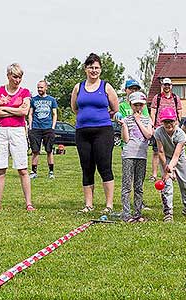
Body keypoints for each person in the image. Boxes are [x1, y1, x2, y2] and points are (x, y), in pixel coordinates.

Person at [70, 53, 119, 214]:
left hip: (103, 131)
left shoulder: (106, 86)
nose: (94, 70)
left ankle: (109, 205)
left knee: (104, 166)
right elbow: (74, 108)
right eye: (91, 67)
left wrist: (101, 117)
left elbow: (115, 108)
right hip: (82, 132)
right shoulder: (79, 87)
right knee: (87, 167)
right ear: (85, 69)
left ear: (100, 69)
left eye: (96, 67)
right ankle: (88, 204)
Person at [0, 63, 35, 212]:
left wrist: (4, 108)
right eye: (15, 77)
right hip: (1, 131)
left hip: (18, 131)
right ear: (8, 76)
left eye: (20, 77)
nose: (17, 80)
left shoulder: (25, 92)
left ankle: (29, 203)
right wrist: (15, 110)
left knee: (23, 169)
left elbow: (24, 112)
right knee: (0, 169)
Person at [154, 107, 186, 222]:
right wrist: (167, 169)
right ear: (162, 122)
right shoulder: (158, 132)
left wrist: (171, 168)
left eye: (171, 121)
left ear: (176, 121)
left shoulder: (181, 134)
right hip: (165, 158)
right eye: (165, 122)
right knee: (167, 185)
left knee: (185, 183)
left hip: (179, 158)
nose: (168, 124)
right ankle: (168, 212)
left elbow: (176, 155)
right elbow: (161, 152)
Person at [119, 92, 153, 223]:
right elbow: (125, 139)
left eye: (140, 105)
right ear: (131, 105)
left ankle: (138, 213)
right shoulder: (127, 119)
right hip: (128, 155)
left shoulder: (147, 119)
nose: (138, 108)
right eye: (135, 105)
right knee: (127, 185)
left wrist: (138, 121)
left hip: (141, 156)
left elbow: (149, 135)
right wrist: (123, 125)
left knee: (139, 186)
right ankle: (126, 213)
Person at [149, 78, 182, 182]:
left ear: (171, 86)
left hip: (173, 128)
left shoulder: (176, 98)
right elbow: (153, 111)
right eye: (165, 85)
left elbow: (179, 111)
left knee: (174, 152)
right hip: (159, 128)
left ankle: (173, 173)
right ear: (162, 85)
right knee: (156, 152)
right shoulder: (157, 97)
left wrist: (178, 124)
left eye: (168, 85)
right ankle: (154, 175)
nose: (166, 87)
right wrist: (153, 126)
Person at [28, 80, 58, 179]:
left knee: (49, 150)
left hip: (48, 128)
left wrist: (53, 127)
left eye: (41, 87)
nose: (39, 89)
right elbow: (30, 114)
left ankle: (51, 172)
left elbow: (54, 114)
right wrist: (31, 127)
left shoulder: (52, 100)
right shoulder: (33, 100)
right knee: (35, 151)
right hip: (36, 128)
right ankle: (33, 171)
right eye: (38, 87)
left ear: (46, 88)